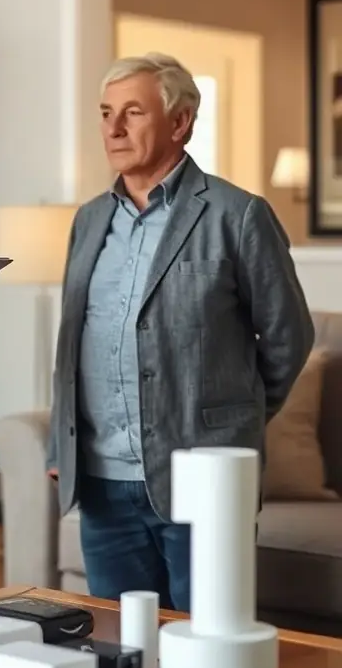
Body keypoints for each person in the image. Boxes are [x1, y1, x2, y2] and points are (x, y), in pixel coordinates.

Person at [46, 52, 314, 612]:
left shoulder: (238, 215)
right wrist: (60, 440)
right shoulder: (88, 220)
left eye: (133, 112)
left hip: (205, 474)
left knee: (207, 648)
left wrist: (229, 413)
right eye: (105, 112)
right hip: (100, 483)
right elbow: (71, 345)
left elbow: (289, 339)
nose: (113, 129)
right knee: (121, 648)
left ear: (181, 121)